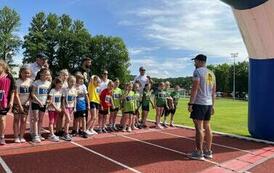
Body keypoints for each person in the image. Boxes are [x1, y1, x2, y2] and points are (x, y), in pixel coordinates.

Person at [188, 54, 216, 160]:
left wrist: (191, 103)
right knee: (207, 127)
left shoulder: (197, 71)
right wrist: (213, 105)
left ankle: (199, 152)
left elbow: (195, 88)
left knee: (199, 127)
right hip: (208, 104)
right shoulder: (211, 73)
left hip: (199, 103)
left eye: (195, 61)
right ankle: (208, 151)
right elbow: (213, 92)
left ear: (199, 61)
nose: (194, 63)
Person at [30, 68, 51, 143]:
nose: (47, 76)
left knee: (41, 119)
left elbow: (49, 94)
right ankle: (35, 135)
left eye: (48, 74)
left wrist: (48, 100)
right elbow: (32, 94)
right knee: (36, 118)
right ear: (41, 74)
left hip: (44, 103)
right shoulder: (36, 83)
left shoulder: (49, 83)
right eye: (46, 74)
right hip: (36, 102)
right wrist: (38, 101)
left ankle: (39, 134)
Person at [13, 66, 32, 143]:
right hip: (17, 103)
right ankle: (16, 136)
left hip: (26, 104)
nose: (26, 74)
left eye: (28, 73)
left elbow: (31, 93)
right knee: (16, 119)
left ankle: (21, 136)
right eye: (24, 73)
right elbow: (16, 94)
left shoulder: (31, 82)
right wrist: (20, 105)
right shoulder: (17, 82)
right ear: (21, 73)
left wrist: (28, 101)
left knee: (23, 120)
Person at [0, 60, 15, 145]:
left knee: (2, 119)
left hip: (4, 101)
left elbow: (13, 90)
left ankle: (2, 137)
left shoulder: (9, 76)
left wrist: (12, 101)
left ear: (3, 66)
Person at [47, 78, 63, 142]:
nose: (61, 85)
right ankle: (51, 134)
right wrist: (56, 108)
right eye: (60, 84)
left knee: (54, 122)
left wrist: (60, 108)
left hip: (57, 109)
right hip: (52, 109)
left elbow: (60, 100)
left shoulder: (60, 91)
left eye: (62, 84)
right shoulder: (52, 91)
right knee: (51, 121)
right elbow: (50, 101)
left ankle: (51, 134)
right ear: (56, 84)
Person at [74, 73, 89, 138]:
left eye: (83, 79)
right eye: (80, 79)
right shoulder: (74, 86)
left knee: (83, 118)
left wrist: (88, 104)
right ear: (77, 79)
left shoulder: (83, 86)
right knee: (77, 119)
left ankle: (84, 131)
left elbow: (86, 96)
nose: (82, 81)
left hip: (83, 104)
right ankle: (76, 131)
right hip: (76, 104)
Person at [62, 75, 77, 141]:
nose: (73, 83)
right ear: (68, 82)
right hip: (66, 107)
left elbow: (75, 99)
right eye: (71, 81)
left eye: (74, 82)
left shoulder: (75, 90)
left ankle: (66, 133)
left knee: (67, 120)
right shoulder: (65, 90)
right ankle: (66, 133)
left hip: (72, 107)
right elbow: (63, 99)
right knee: (68, 119)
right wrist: (63, 107)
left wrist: (75, 107)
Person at [55, 69, 69, 137]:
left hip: (65, 100)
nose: (65, 76)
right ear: (60, 75)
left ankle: (60, 129)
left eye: (66, 75)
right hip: (59, 100)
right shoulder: (59, 82)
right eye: (63, 75)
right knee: (59, 116)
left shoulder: (67, 83)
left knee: (62, 116)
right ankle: (57, 130)